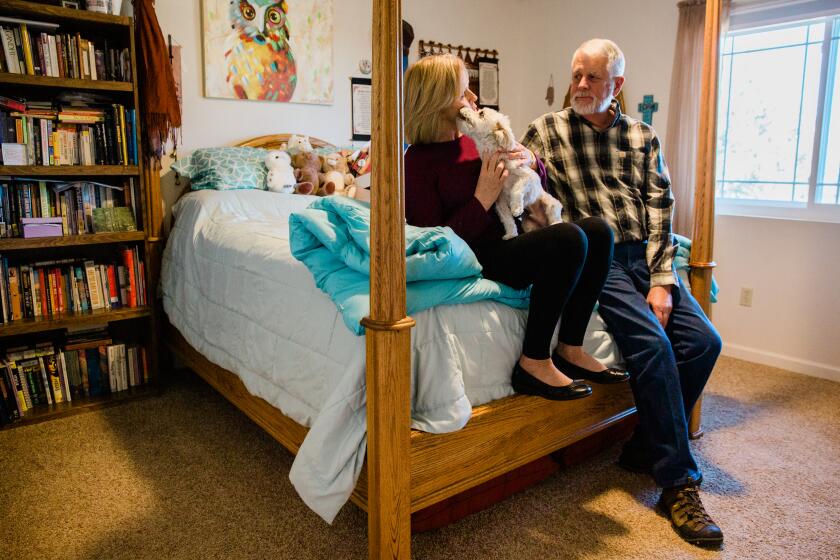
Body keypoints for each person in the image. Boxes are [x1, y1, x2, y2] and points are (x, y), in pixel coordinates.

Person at [521, 39, 724, 548]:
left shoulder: (641, 135)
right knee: (652, 346)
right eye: (577, 75)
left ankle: (642, 447)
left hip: (645, 256)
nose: (582, 86)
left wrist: (662, 278)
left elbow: (660, 207)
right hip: (600, 257)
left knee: (704, 343)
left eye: (593, 78)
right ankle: (678, 483)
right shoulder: (546, 131)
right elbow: (526, 191)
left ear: (618, 85)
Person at [403, 54, 629, 402]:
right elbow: (434, 244)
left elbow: (526, 185)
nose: (475, 100)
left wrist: (532, 162)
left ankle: (570, 347)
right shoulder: (417, 162)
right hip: (475, 255)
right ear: (437, 100)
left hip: (509, 239)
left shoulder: (473, 141)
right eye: (465, 92)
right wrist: (481, 199)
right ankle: (534, 361)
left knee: (598, 232)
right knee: (569, 238)